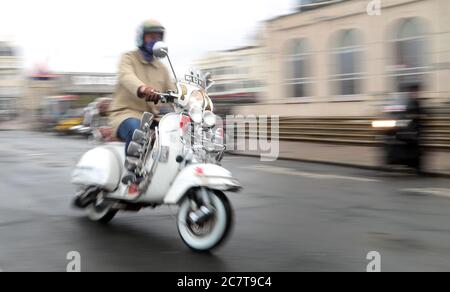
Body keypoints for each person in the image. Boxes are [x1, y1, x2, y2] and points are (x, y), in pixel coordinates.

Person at [109, 19, 175, 154]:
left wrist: (191, 101)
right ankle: (132, 171)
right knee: (137, 130)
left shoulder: (162, 68)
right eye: (151, 37)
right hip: (126, 114)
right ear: (141, 38)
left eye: (158, 38)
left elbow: (173, 91)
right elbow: (127, 76)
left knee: (177, 134)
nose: (155, 40)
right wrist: (143, 88)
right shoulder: (128, 58)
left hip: (153, 118)